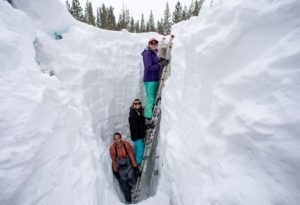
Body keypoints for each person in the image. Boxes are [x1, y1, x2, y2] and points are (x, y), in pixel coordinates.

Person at [142, 38, 169, 120]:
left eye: (155, 43)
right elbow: (148, 67)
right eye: (152, 43)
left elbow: (153, 62)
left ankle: (150, 114)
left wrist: (159, 60)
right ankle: (148, 117)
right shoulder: (147, 53)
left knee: (152, 98)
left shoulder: (153, 53)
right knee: (150, 98)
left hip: (154, 79)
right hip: (150, 79)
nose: (154, 45)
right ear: (149, 44)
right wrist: (160, 65)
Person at [109, 132, 141, 204]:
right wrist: (116, 172)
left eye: (118, 138)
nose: (117, 140)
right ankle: (128, 201)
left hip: (129, 167)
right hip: (120, 170)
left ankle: (131, 186)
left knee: (134, 180)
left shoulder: (126, 145)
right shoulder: (112, 149)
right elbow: (114, 161)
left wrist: (136, 168)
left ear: (120, 138)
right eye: (115, 139)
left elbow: (131, 156)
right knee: (124, 187)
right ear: (113, 140)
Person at [128, 99, 146, 166]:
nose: (137, 104)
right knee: (140, 149)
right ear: (133, 104)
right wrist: (146, 127)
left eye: (139, 103)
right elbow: (135, 126)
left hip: (140, 134)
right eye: (135, 104)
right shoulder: (133, 114)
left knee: (137, 148)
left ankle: (135, 161)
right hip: (136, 135)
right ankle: (138, 164)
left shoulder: (139, 111)